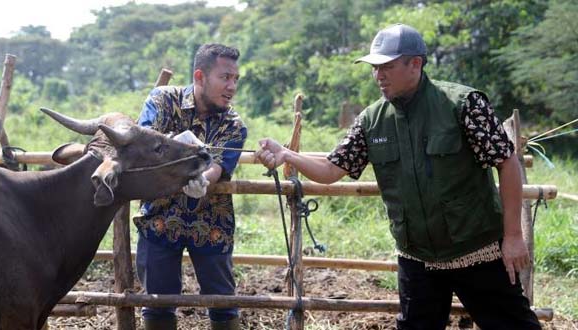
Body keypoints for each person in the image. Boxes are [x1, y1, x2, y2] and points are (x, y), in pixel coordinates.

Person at [256, 24, 541, 330]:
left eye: (387, 67)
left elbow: (506, 162)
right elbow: (331, 169)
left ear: (415, 64)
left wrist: (512, 236)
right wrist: (286, 154)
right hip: (417, 258)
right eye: (375, 68)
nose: (379, 76)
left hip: (478, 250)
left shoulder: (463, 104)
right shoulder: (371, 120)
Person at [134, 43, 247, 330]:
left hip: (211, 223)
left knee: (223, 304)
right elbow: (144, 144)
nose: (231, 86)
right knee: (157, 306)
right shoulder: (162, 101)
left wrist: (201, 180)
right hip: (159, 219)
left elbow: (218, 167)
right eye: (225, 77)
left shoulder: (233, 124)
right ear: (200, 76)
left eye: (235, 79)